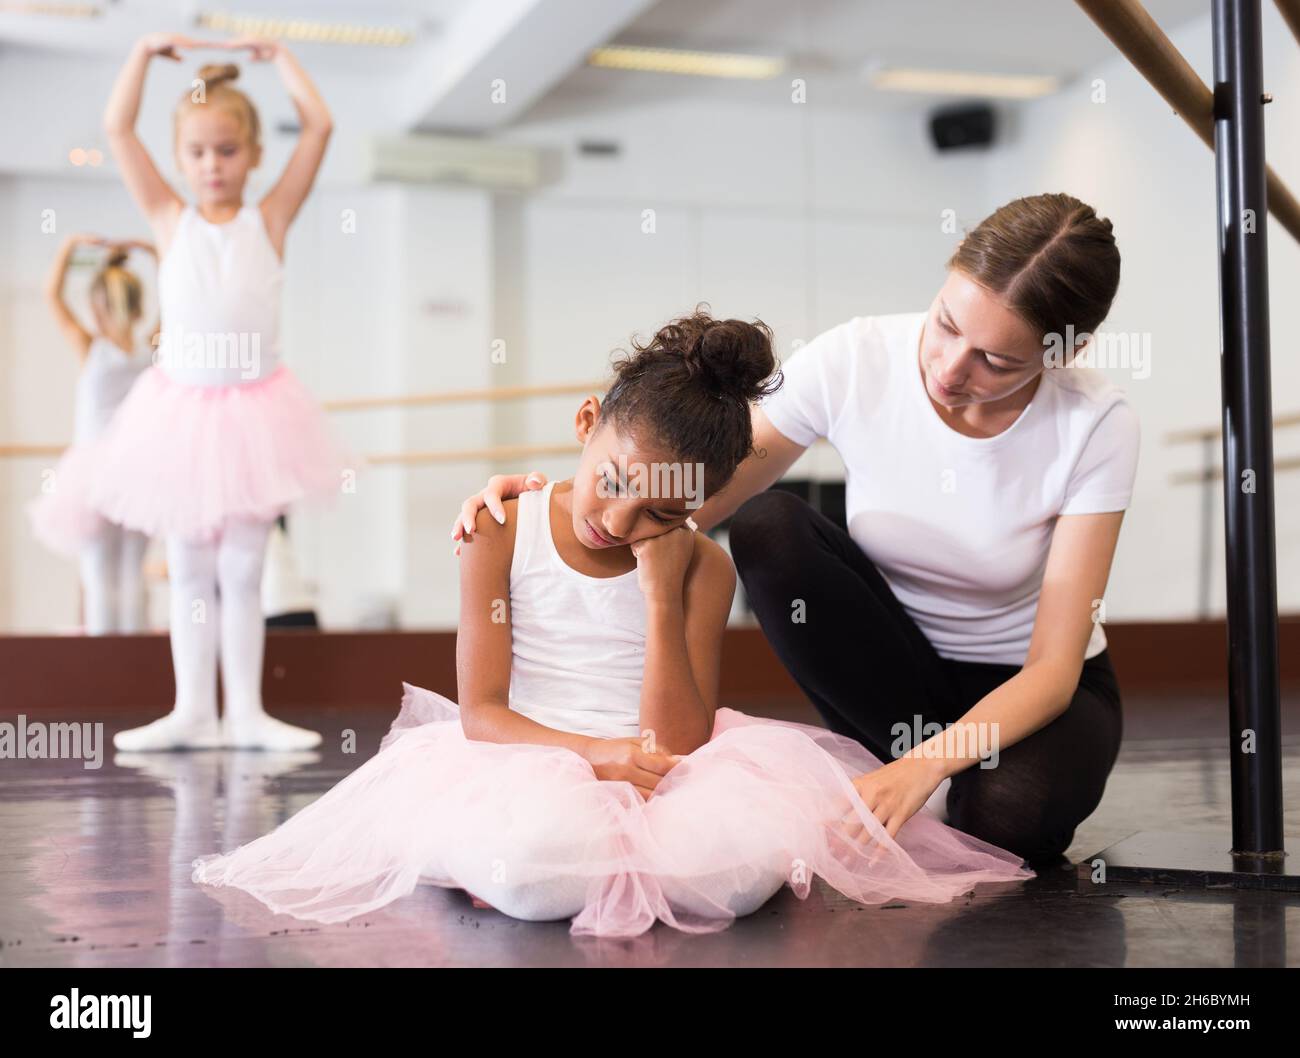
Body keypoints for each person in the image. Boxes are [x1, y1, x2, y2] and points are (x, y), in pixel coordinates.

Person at [192, 310, 1032, 939]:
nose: (619, 521)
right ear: (587, 423)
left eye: (659, 510)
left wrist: (661, 596)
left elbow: (681, 740)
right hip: (523, 757)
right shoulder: (501, 528)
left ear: (693, 508)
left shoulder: (703, 566)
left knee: (733, 872)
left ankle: (587, 864)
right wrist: (595, 757)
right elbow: (481, 715)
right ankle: (528, 862)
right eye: (612, 481)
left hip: (660, 771)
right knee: (528, 871)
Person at [453, 193, 1141, 867]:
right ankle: (898, 754)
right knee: (768, 523)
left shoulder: (1095, 425)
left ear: (1062, 353)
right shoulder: (857, 357)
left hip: (1030, 682)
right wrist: (553, 503)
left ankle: (923, 769)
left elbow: (1053, 668)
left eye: (997, 361)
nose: (951, 368)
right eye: (947, 324)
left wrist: (925, 768)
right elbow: (687, 483)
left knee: (1005, 824)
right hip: (891, 671)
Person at [96, 32, 348, 750]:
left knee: (244, 569)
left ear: (255, 154)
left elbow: (321, 124)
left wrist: (279, 57)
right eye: (198, 152)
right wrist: (140, 53)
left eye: (228, 150)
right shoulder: (167, 219)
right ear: (179, 158)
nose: (213, 165)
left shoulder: (268, 219)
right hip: (178, 413)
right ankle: (191, 712)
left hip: (255, 411)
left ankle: (245, 713)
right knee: (188, 572)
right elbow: (117, 127)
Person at [28, 236, 154, 633]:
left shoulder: (91, 347)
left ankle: (107, 667)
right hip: (137, 473)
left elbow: (51, 295)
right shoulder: (151, 346)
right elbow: (175, 289)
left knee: (100, 576)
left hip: (96, 475)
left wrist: (69, 247)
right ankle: (134, 665)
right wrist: (151, 251)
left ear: (99, 307)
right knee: (133, 574)